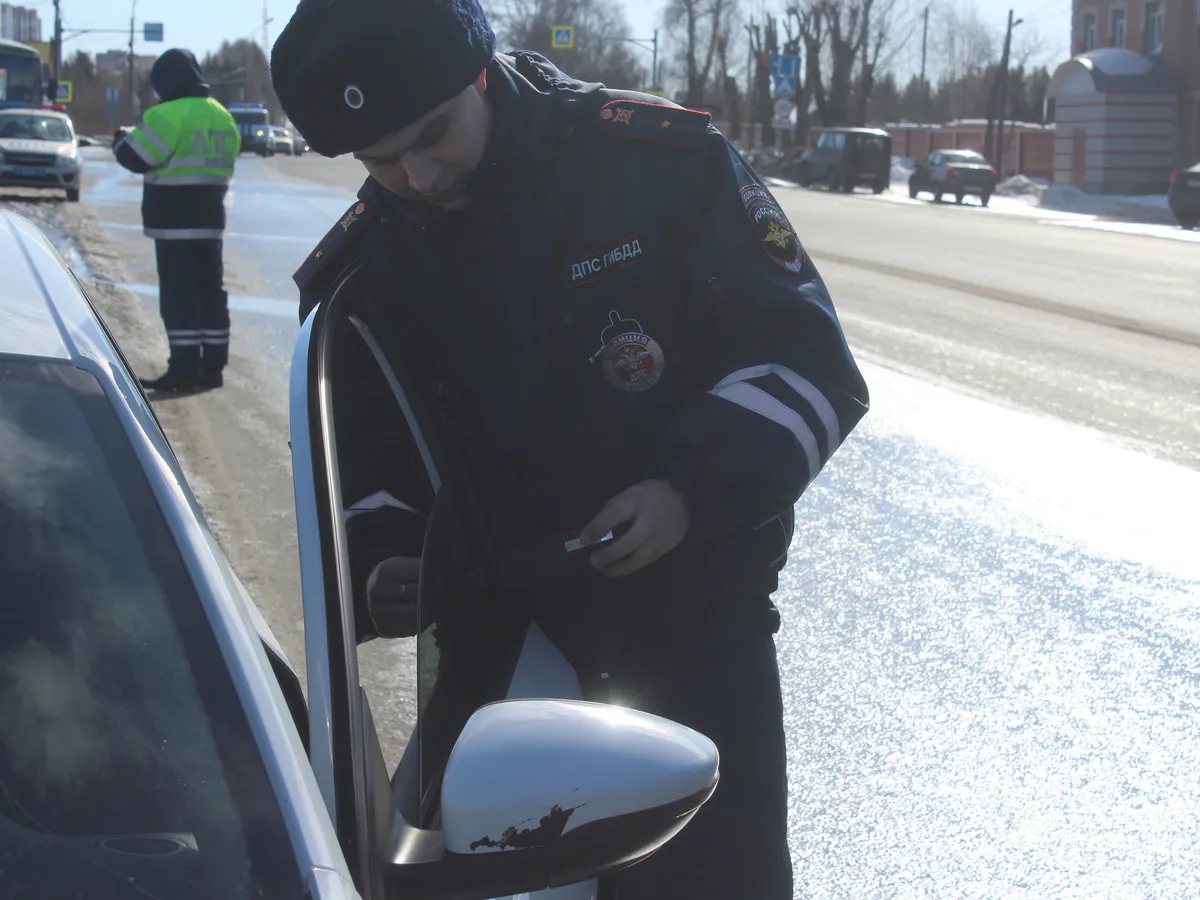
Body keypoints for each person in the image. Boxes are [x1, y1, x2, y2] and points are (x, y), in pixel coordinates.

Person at [270, 0, 869, 896]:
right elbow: (370, 456)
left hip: (694, 638)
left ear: (478, 73)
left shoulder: (656, 165)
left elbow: (805, 361)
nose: (421, 176)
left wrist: (684, 491)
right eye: (382, 160)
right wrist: (388, 557)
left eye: (434, 133)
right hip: (498, 659)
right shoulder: (370, 262)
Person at [113, 48, 240, 393]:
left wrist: (120, 140)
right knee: (211, 293)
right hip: (210, 221)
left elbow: (135, 156)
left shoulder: (166, 115)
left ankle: (182, 369)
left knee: (179, 296)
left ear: (165, 82)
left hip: (173, 223)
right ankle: (212, 367)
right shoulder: (222, 115)